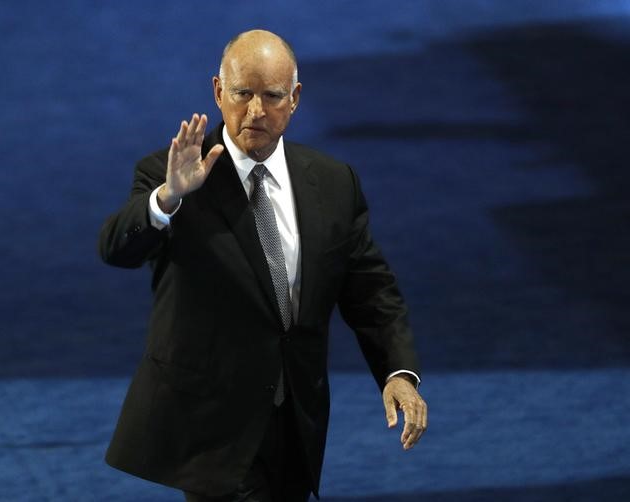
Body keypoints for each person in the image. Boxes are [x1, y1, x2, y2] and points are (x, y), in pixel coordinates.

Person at [99, 29, 427, 501]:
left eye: (271, 96)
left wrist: (398, 373)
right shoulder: (173, 175)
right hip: (213, 429)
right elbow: (115, 248)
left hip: (295, 422)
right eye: (241, 94)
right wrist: (167, 199)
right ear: (217, 92)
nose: (255, 111)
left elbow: (371, 290)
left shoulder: (334, 183)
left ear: (294, 99)